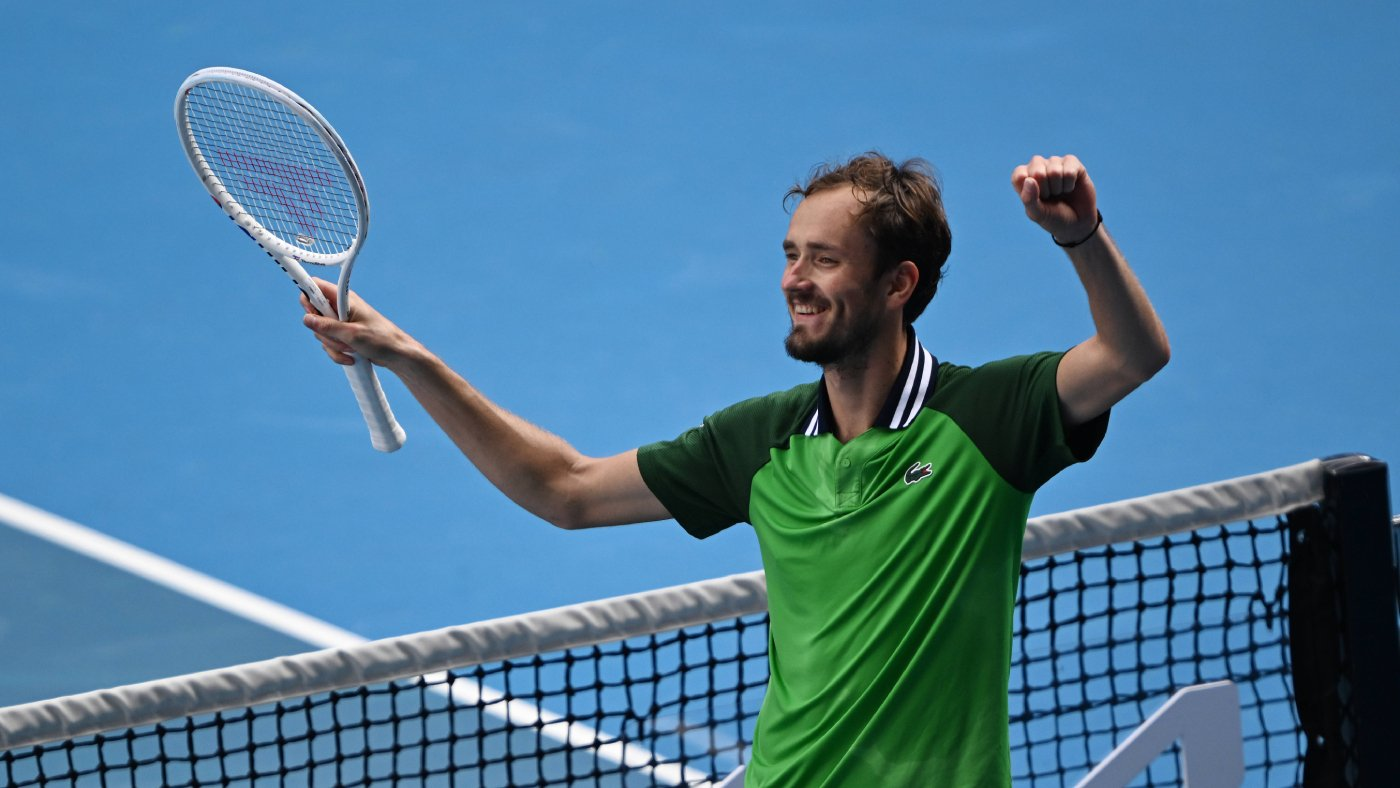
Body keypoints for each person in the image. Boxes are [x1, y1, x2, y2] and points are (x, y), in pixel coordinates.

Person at [301, 152, 1169, 785]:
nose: (795, 279)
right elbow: (562, 489)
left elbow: (1133, 354)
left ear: (899, 283)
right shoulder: (762, 443)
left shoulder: (989, 418)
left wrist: (1081, 236)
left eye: (824, 260)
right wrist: (412, 358)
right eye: (790, 255)